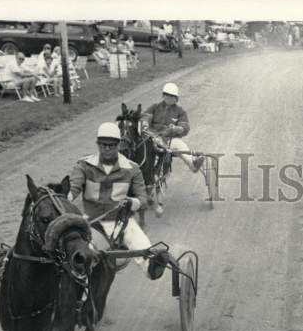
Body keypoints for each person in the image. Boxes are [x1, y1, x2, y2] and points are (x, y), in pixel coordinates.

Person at [68, 123, 176, 279]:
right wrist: (68, 196)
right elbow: (74, 187)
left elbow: (143, 199)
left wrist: (132, 202)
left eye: (111, 145)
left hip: (121, 221)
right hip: (91, 223)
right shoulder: (84, 166)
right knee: (83, 259)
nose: (107, 149)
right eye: (103, 144)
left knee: (143, 246)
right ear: (98, 144)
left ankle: (152, 265)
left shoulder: (132, 168)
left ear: (118, 145)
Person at [139, 82, 204, 214]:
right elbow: (144, 117)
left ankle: (193, 164)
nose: (169, 98)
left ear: (176, 98)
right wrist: (145, 124)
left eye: (172, 96)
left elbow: (186, 128)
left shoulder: (180, 111)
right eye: (167, 95)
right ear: (163, 96)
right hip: (153, 137)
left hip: (170, 140)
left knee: (180, 145)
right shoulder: (155, 107)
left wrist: (177, 128)